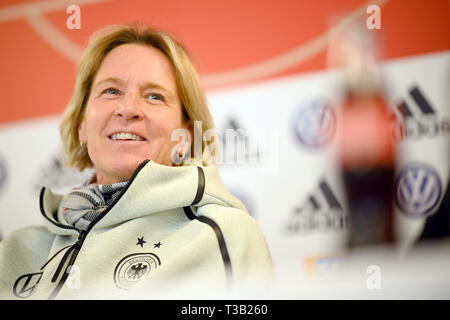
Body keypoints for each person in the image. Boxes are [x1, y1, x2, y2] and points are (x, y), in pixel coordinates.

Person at [0, 24, 273, 299]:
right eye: (111, 91)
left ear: (185, 137)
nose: (128, 108)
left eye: (155, 96)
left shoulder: (225, 234)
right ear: (82, 124)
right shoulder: (14, 249)